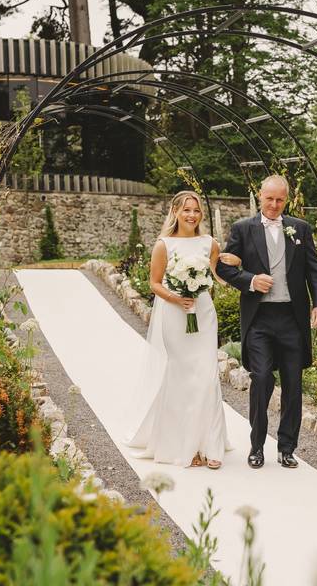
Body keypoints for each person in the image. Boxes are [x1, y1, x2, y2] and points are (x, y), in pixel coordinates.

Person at [216, 175, 317, 469]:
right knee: (262, 378)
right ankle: (256, 446)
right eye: (269, 199)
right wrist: (250, 280)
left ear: (286, 200)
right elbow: (223, 267)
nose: (274, 205)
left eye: (280, 200)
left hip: (292, 318)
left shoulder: (300, 228)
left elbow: (314, 271)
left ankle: (287, 448)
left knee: (293, 384)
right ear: (260, 196)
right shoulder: (243, 228)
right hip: (260, 320)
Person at [125, 191, 231, 469]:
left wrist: (235, 267)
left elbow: (216, 277)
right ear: (175, 212)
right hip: (175, 314)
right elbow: (155, 283)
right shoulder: (164, 245)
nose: (192, 215)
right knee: (182, 376)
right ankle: (185, 446)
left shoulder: (210, 243)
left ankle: (211, 445)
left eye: (196, 210)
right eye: (186, 210)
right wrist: (175, 297)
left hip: (204, 314)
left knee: (207, 376)